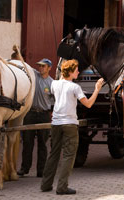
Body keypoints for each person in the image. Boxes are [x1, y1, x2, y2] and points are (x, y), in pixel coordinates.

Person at [40, 59, 104, 195]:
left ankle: (45, 185)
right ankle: (62, 187)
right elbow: (88, 104)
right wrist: (97, 89)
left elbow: (49, 93)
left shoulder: (54, 84)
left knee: (54, 154)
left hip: (56, 123)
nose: (79, 72)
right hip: (69, 124)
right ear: (70, 72)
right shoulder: (75, 87)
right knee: (69, 155)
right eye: (76, 70)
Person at [17, 58, 54, 178]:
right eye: (40, 66)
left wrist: (53, 112)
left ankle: (41, 170)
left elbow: (56, 100)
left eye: (43, 66)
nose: (41, 68)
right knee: (27, 142)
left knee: (43, 144)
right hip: (30, 114)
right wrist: (17, 54)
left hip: (44, 114)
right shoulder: (34, 75)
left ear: (49, 68)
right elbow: (24, 64)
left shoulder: (52, 83)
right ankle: (24, 168)